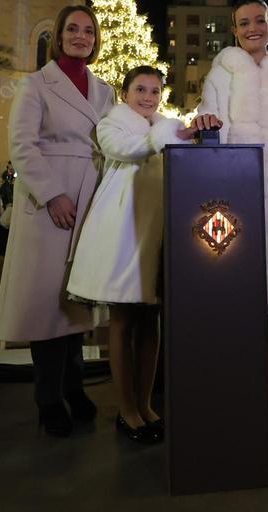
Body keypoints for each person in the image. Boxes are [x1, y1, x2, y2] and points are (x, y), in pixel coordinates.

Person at [0, 5, 114, 438]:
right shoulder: (36, 85)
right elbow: (22, 146)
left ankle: (74, 386)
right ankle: (48, 398)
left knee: (75, 302)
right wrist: (52, 194)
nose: (81, 36)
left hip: (89, 199)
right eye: (73, 29)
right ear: (59, 36)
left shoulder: (105, 91)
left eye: (89, 30)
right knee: (47, 305)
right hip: (50, 205)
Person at [193, 0, 268, 424]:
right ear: (235, 29)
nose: (253, 28)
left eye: (260, 20)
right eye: (244, 23)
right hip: (237, 192)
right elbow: (210, 117)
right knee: (236, 292)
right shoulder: (223, 69)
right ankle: (233, 380)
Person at [68, 67, 201, 443]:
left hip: (158, 234)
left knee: (150, 323)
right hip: (122, 233)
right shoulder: (112, 124)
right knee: (124, 322)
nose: (148, 96)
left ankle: (145, 403)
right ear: (124, 93)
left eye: (155, 90)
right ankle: (126, 409)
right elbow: (125, 150)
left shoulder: (164, 128)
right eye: (140, 89)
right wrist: (170, 131)